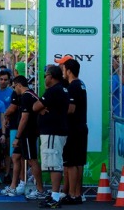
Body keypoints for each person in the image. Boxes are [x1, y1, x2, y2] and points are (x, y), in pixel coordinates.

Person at [33, 65, 69, 209]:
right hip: (55, 130)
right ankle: (54, 194)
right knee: (53, 162)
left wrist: (41, 108)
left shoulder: (54, 90)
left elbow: (35, 106)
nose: (44, 78)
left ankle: (55, 195)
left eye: (45, 75)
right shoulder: (61, 89)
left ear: (51, 76)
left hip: (53, 131)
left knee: (54, 164)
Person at [5, 76, 46, 199]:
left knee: (32, 160)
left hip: (28, 133)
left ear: (18, 85)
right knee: (15, 156)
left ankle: (40, 190)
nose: (14, 89)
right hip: (25, 132)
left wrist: (17, 136)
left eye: (14, 86)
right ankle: (13, 187)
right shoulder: (29, 95)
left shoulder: (27, 96)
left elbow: (24, 118)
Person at [61, 59, 88, 205]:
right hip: (81, 127)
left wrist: (57, 111)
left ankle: (72, 194)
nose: (63, 72)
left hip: (73, 128)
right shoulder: (81, 84)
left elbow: (71, 109)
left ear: (69, 71)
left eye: (64, 69)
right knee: (78, 162)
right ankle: (77, 194)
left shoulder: (73, 86)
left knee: (71, 163)